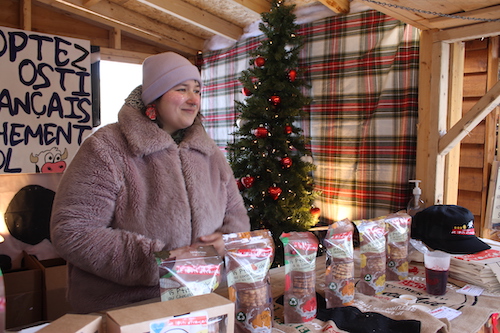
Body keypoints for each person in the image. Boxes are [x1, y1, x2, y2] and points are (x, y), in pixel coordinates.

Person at [50, 52, 250, 313]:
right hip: (127, 310)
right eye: (182, 89)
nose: (193, 100)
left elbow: (237, 217)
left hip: (203, 303)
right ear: (154, 97)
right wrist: (156, 262)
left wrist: (226, 241)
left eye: (197, 91)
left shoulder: (209, 152)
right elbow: (72, 230)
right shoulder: (106, 148)